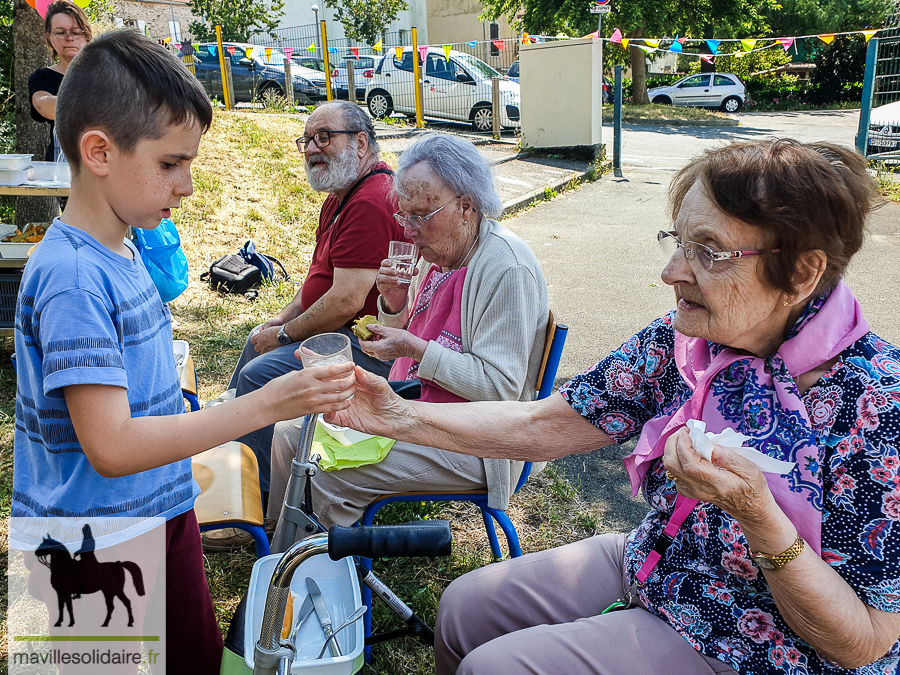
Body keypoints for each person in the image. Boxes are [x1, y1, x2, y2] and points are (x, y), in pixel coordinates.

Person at [328, 139, 900, 675]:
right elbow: (548, 422)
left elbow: (861, 642)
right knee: (460, 610)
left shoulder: (877, 407)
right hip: (663, 560)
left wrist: (756, 512)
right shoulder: (687, 342)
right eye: (677, 243)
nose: (672, 272)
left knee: (492, 668)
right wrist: (398, 416)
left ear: (801, 273)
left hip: (762, 641)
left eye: (709, 252)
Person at [11, 31, 356, 675]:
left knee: (193, 659)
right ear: (99, 152)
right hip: (93, 542)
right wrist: (266, 402)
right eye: (171, 164)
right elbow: (111, 446)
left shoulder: (122, 245)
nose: (188, 185)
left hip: (160, 507)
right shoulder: (72, 277)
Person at [267, 133, 549, 536]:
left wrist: (416, 348)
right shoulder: (443, 251)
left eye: (420, 216)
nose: (409, 231)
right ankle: (286, 538)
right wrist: (395, 303)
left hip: (481, 441)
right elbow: (409, 338)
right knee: (290, 433)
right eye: (405, 216)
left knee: (328, 471)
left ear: (466, 207)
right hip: (419, 405)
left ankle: (314, 575)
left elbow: (499, 389)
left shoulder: (507, 269)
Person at [214, 101, 405, 549]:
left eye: (325, 137)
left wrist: (284, 335)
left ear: (361, 143)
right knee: (254, 348)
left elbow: (345, 301)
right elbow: (317, 284)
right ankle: (232, 464)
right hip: (340, 337)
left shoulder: (372, 201)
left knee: (260, 372)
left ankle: (251, 508)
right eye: (307, 140)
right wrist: (278, 321)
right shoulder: (342, 198)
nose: (312, 148)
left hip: (370, 354)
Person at [29, 1, 92, 163]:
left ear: (86, 35)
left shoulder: (107, 74)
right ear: (49, 38)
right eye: (60, 32)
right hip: (61, 165)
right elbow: (44, 106)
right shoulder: (42, 77)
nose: (69, 38)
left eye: (76, 32)